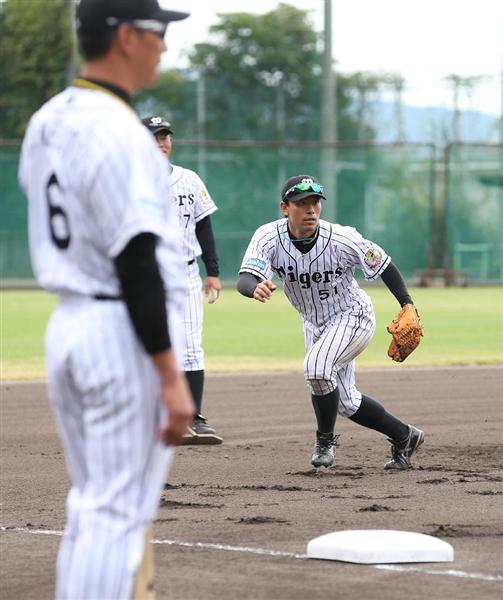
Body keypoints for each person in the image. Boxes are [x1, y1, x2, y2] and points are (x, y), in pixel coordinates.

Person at [18, 1, 194, 598]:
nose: (163, 46)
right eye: (156, 31)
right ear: (124, 37)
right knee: (116, 516)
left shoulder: (47, 119)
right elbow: (136, 260)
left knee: (95, 507)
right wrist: (171, 374)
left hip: (71, 325)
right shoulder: (119, 130)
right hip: (120, 333)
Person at [237, 174, 424, 470]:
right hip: (314, 323)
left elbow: (383, 263)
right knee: (346, 401)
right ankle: (405, 436)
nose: (311, 209)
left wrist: (407, 304)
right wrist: (253, 287)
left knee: (317, 369)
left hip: (353, 315)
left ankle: (324, 441)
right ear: (285, 207)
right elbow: (246, 277)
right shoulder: (267, 237)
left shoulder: (341, 238)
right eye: (302, 203)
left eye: (315, 203)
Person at [142, 115, 223, 445]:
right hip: (145, 275)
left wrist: (213, 272)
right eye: (154, 136)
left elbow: (204, 228)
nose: (161, 142)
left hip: (186, 272)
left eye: (165, 136)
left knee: (191, 348)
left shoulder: (189, 180)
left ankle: (194, 416)